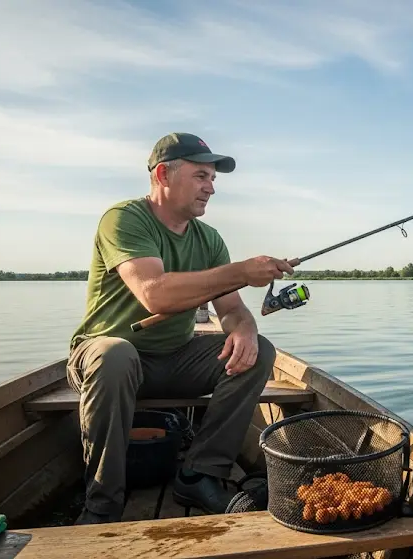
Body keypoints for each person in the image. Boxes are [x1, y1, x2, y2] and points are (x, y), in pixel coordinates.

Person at [66, 132, 295, 524]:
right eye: (201, 176)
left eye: (213, 180)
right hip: (109, 361)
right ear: (163, 174)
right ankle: (102, 502)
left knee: (260, 352)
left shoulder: (209, 239)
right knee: (115, 353)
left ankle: (200, 474)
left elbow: (233, 309)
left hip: (175, 359)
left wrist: (244, 329)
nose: (210, 188)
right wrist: (241, 270)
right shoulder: (123, 219)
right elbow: (155, 295)